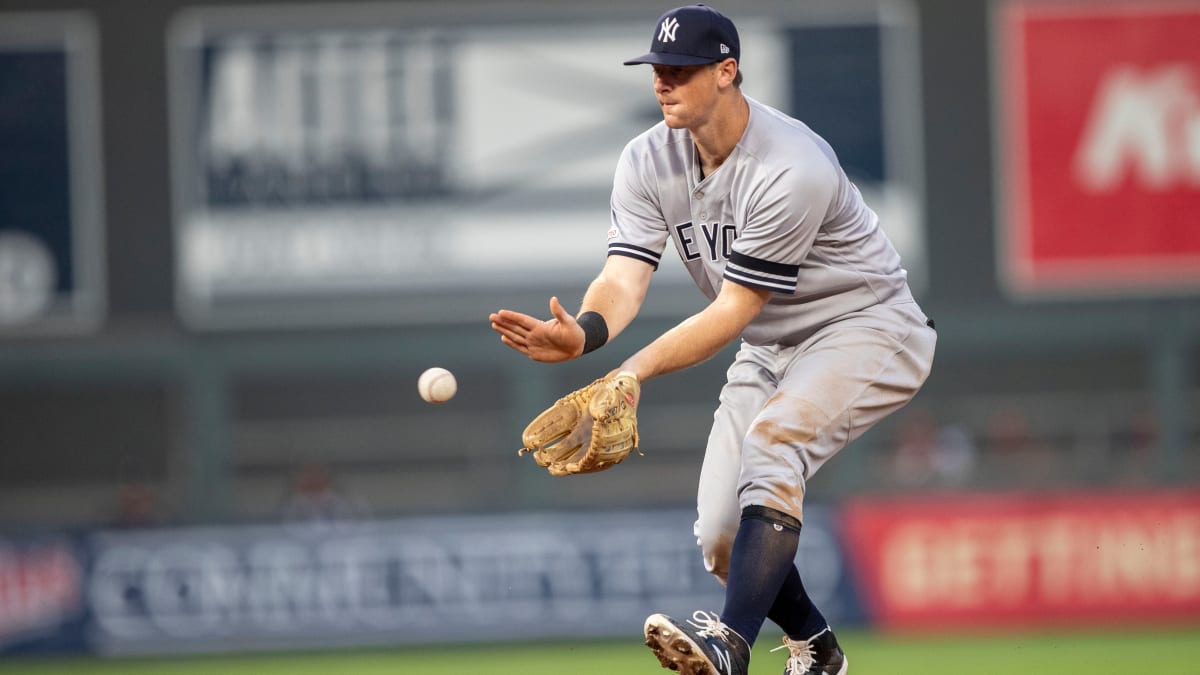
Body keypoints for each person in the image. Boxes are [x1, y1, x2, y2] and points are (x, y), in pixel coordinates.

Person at [489, 5, 935, 674]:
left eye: (680, 70)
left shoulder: (792, 165)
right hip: (771, 345)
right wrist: (584, 333)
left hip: (865, 326)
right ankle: (819, 650)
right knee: (722, 535)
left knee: (773, 443)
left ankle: (730, 645)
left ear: (726, 72)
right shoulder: (647, 159)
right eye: (657, 71)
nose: (663, 83)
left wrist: (630, 374)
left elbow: (732, 310)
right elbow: (624, 277)